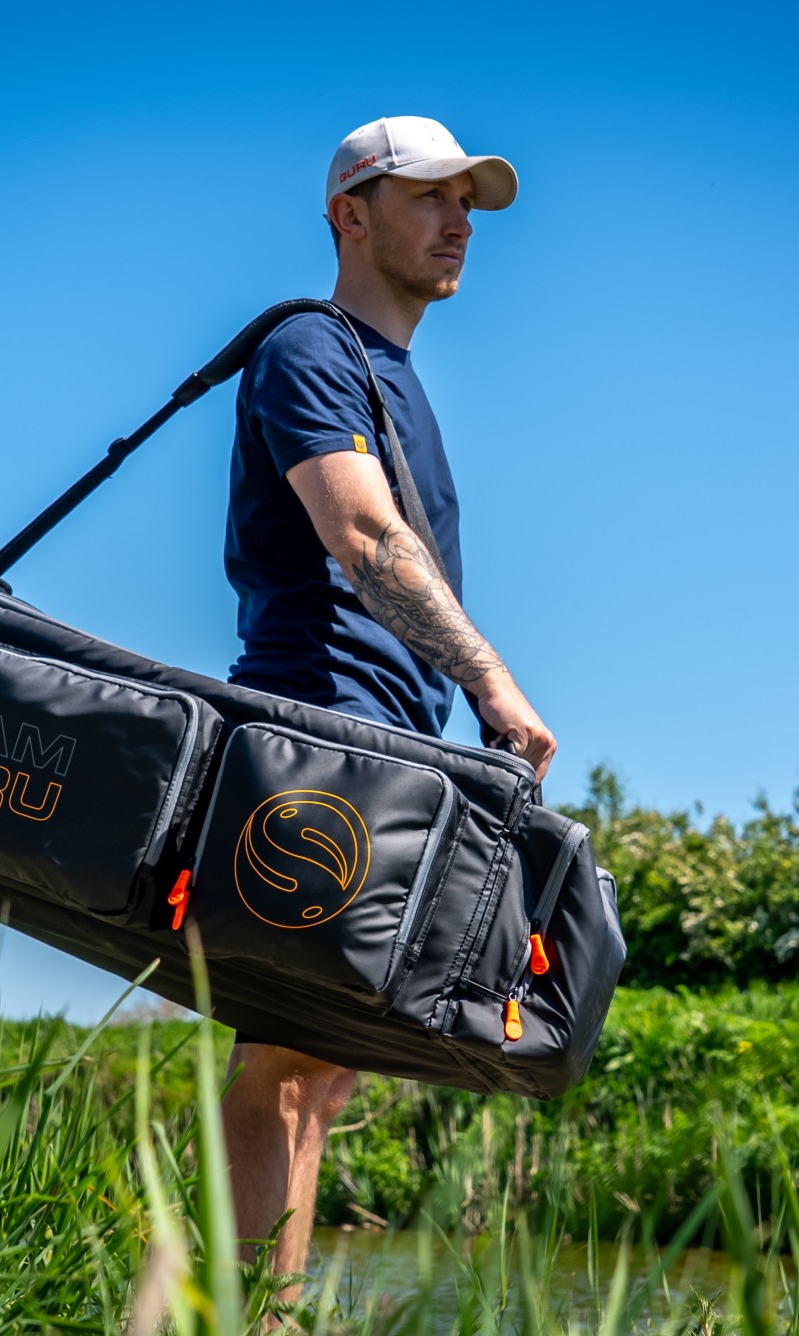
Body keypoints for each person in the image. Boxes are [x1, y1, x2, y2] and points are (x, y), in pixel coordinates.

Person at [218, 114, 558, 1283]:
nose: (458, 221)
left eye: (467, 202)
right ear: (348, 216)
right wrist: (494, 685)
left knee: (320, 1075)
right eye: (428, 197)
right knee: (281, 1067)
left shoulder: (393, 378)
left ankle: (246, 1316)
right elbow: (363, 538)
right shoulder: (310, 349)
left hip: (392, 745)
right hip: (321, 731)